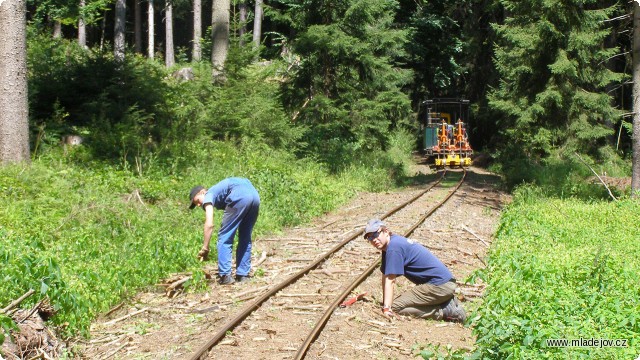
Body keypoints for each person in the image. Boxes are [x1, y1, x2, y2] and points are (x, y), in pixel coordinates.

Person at [363, 219, 466, 322]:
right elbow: (385, 275)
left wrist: (387, 308)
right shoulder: (392, 244)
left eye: (375, 234)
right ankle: (444, 303)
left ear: (385, 231)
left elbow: (391, 281)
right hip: (443, 283)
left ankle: (443, 311)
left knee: (396, 307)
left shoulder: (394, 248)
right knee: (393, 304)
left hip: (440, 285)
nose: (373, 240)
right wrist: (385, 302)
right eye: (369, 238)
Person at [189, 177, 260, 285]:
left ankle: (225, 276)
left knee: (224, 236)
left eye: (197, 201)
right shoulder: (220, 190)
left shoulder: (209, 194)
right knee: (245, 236)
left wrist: (205, 247)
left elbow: (209, 224)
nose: (199, 205)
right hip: (255, 197)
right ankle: (243, 275)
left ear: (202, 192)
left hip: (239, 197)